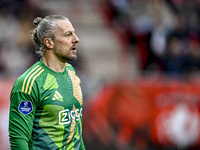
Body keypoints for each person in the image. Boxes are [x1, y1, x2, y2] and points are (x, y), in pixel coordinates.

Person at [9, 15, 85, 150]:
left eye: (74, 33)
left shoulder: (71, 73)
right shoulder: (29, 83)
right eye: (68, 35)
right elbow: (18, 138)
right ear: (49, 43)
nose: (76, 39)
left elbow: (76, 133)